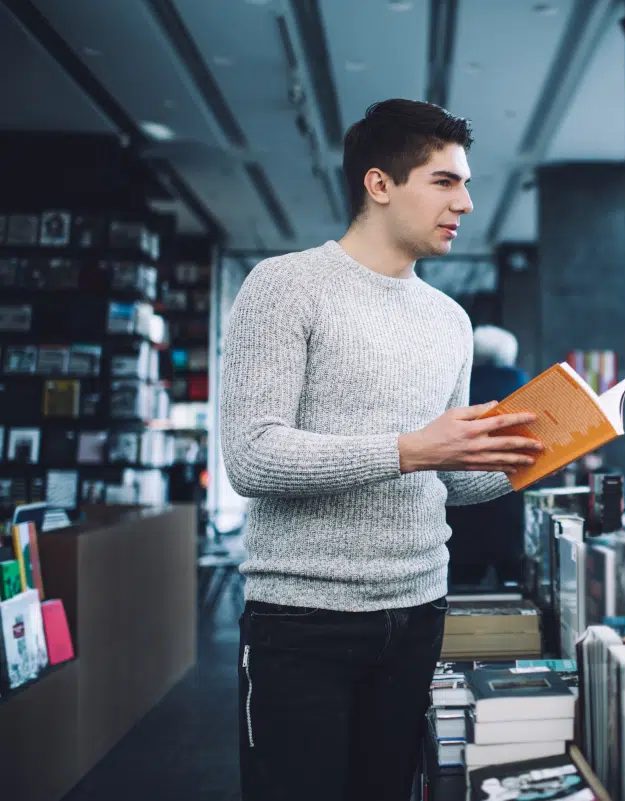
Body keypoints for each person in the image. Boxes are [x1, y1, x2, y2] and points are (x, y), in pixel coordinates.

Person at [220, 98, 544, 801]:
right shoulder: (283, 286)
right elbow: (251, 455)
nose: (466, 201)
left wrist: (533, 459)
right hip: (302, 621)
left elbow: (449, 481)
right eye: (445, 181)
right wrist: (408, 448)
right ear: (379, 184)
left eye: (466, 183)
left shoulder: (451, 321)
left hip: (419, 612)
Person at [445, 325, 530, 589]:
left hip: (462, 502)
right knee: (513, 579)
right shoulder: (523, 388)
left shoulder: (456, 387)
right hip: (510, 497)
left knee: (464, 579)